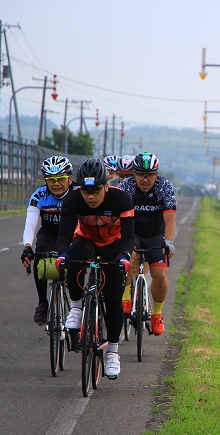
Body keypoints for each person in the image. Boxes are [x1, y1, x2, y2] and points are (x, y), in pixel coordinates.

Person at [55, 158, 134, 379]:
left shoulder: (120, 199)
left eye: (96, 191)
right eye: (85, 191)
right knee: (74, 258)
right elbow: (64, 235)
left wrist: (126, 257)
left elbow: (129, 237)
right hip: (87, 240)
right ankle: (77, 307)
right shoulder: (73, 199)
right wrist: (62, 255)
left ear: (105, 186)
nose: (90, 196)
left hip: (114, 245)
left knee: (113, 297)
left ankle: (112, 352)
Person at [118, 152, 176, 335]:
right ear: (133, 173)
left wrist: (168, 242)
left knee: (160, 274)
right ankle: (126, 296)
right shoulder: (125, 186)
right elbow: (116, 217)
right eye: (141, 174)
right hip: (131, 233)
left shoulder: (164, 187)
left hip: (155, 235)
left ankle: (156, 314)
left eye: (150, 175)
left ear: (156, 175)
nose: (145, 179)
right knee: (128, 257)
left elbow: (169, 218)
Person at [21, 155, 74, 324]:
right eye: (51, 179)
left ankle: (75, 309)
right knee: (39, 257)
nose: (56, 183)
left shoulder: (78, 194)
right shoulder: (39, 195)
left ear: (70, 179)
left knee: (74, 265)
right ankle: (43, 302)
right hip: (49, 234)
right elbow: (30, 224)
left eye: (60, 179)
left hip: (73, 234)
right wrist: (27, 246)